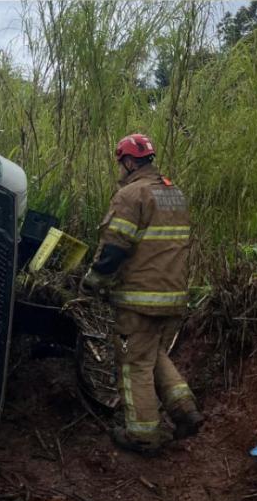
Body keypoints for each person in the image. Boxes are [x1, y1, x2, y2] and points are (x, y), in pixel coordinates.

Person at [82, 133, 203, 453]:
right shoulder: (173, 193)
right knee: (153, 355)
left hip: (140, 298)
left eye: (121, 162)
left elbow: (114, 247)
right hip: (173, 296)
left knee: (133, 363)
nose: (120, 169)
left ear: (130, 161)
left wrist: (94, 280)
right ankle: (185, 411)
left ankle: (143, 435)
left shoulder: (131, 195)